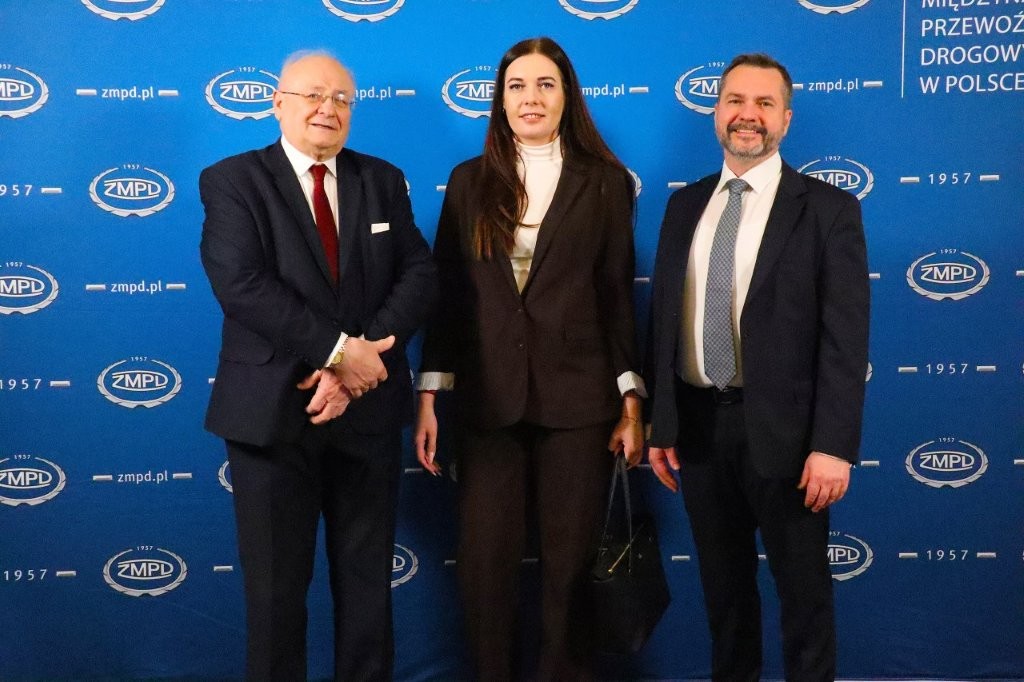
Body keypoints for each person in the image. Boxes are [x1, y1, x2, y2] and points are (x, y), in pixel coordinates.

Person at [199, 50, 437, 681]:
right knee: (275, 595)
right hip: (271, 417)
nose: (327, 108)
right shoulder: (231, 180)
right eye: (312, 95)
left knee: (367, 590)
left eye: (341, 99)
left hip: (367, 412)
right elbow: (241, 284)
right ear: (278, 104)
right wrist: (338, 352)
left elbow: (418, 273)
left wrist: (360, 360)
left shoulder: (381, 178)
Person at [414, 36, 645, 681]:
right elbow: (449, 297)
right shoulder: (468, 181)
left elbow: (616, 295)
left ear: (567, 96)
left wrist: (632, 404)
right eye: (516, 86)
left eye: (545, 84)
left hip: (579, 402)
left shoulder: (605, 182)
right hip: (487, 401)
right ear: (500, 99)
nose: (530, 98)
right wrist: (429, 395)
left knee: (570, 566)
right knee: (485, 565)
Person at [645, 53, 869, 681]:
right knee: (725, 601)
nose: (748, 115)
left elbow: (846, 340)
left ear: (786, 119)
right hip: (698, 430)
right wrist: (663, 422)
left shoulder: (827, 209)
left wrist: (833, 446)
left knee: (804, 599)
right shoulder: (684, 206)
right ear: (716, 113)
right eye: (735, 101)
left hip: (791, 441)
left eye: (764, 104)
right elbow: (663, 321)